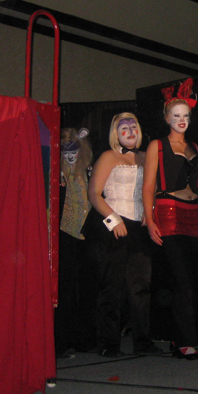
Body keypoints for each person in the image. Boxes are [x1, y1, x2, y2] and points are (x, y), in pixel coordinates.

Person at [142, 94, 198, 360]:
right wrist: (150, 219)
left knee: (188, 279)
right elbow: (149, 186)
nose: (181, 120)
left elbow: (197, 186)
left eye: (186, 116)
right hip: (169, 211)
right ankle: (185, 342)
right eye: (176, 116)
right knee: (182, 279)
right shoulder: (157, 145)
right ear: (167, 118)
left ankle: (177, 338)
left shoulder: (194, 145)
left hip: (193, 213)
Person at [85, 113, 158, 357]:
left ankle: (143, 341)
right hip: (113, 225)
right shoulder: (108, 156)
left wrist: (149, 211)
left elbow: (152, 189)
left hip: (139, 226)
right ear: (115, 133)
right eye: (124, 127)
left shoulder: (146, 157)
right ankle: (108, 343)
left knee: (141, 286)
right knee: (112, 285)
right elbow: (94, 193)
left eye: (133, 126)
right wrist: (113, 219)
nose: (130, 131)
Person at [56, 127, 95, 357]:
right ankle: (63, 340)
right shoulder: (56, 171)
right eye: (66, 152)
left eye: (74, 151)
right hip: (65, 233)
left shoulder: (87, 169)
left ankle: (85, 338)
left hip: (87, 233)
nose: (70, 156)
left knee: (87, 287)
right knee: (66, 289)